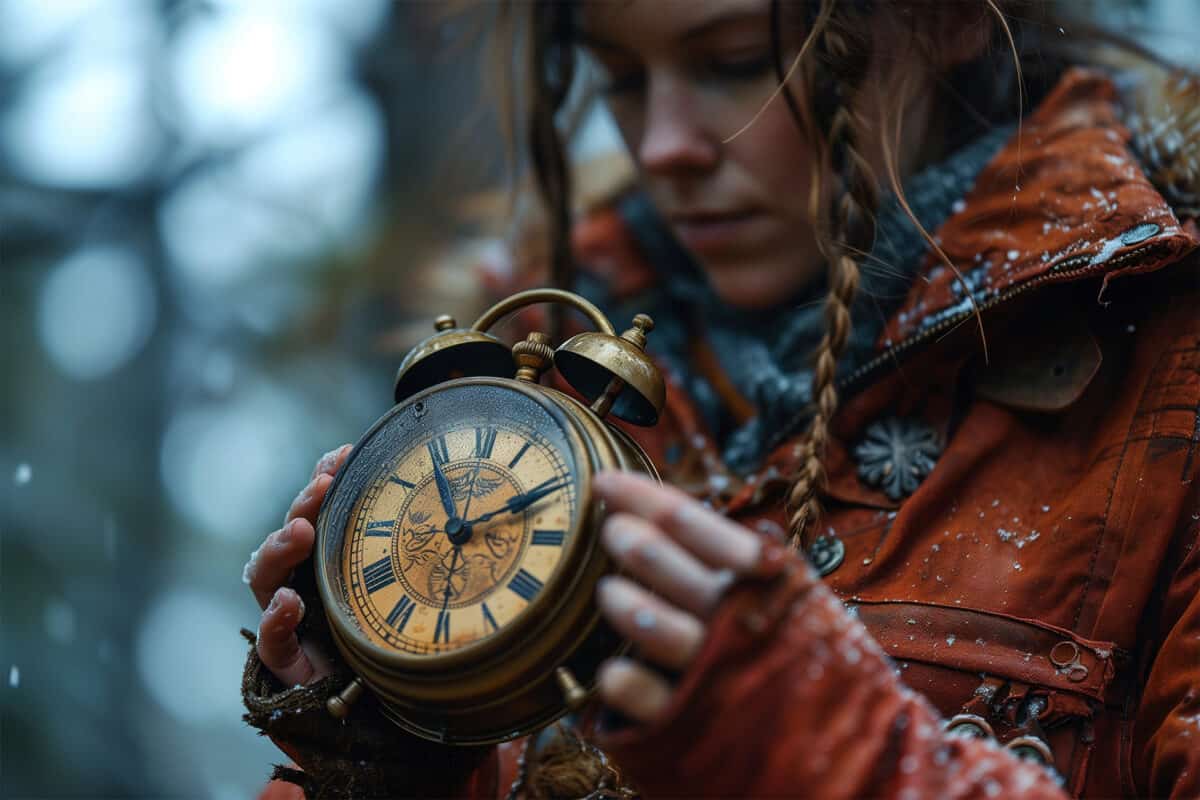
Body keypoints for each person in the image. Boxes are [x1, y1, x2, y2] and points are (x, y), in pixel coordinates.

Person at [241, 1, 1200, 797]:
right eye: (618, 77)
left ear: (943, 18)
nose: (662, 147)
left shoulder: (1170, 378)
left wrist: (831, 755)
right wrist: (397, 758)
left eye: (738, 63)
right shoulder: (520, 401)